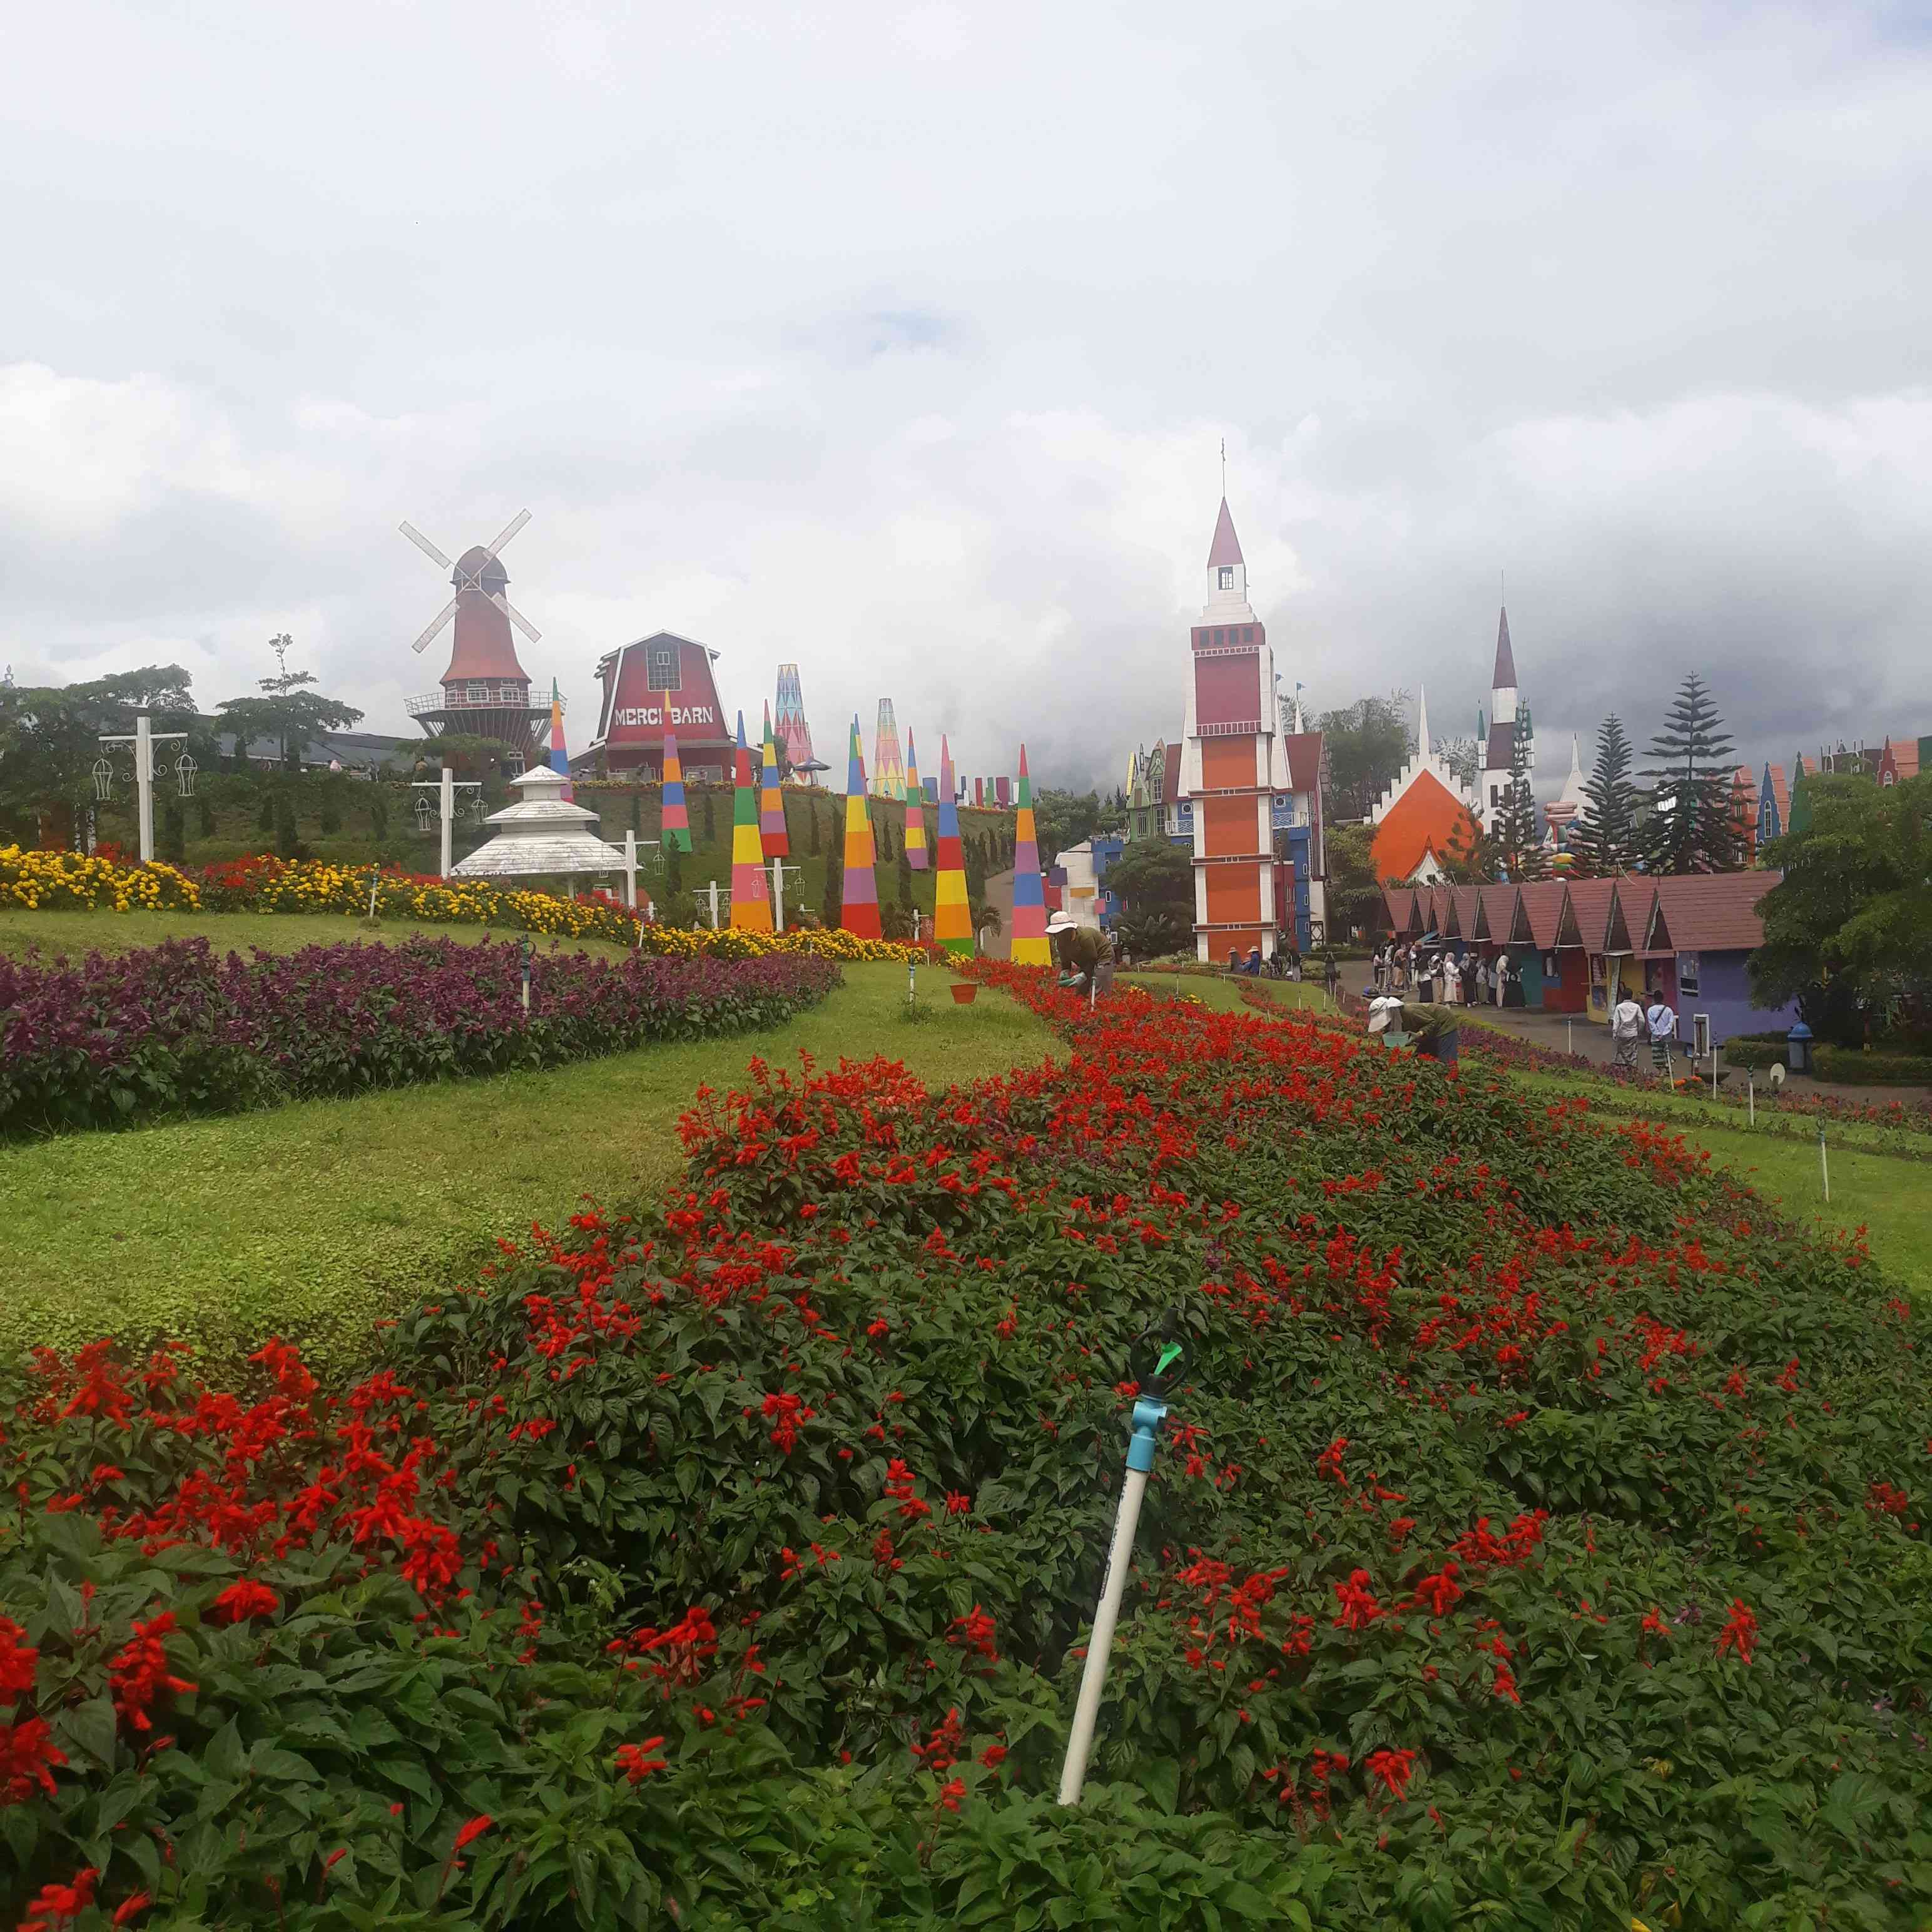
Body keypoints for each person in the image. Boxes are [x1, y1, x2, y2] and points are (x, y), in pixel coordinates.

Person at [1049, 911, 1114, 995]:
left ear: (1069, 930)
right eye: (1056, 934)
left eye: (1061, 933)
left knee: (1099, 985)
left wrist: (1083, 975)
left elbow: (1092, 959)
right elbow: (1066, 961)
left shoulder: (1085, 937)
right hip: (1086, 961)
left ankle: (1101, 1005)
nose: (1058, 936)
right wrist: (1065, 972)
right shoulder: (1061, 943)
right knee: (1081, 991)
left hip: (1103, 955)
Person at [1610, 982, 1646, 1079]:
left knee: (1622, 1052)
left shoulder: (1619, 1007)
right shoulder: (1636, 1007)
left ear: (1623, 996)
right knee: (1633, 1051)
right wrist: (1639, 1030)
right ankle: (1633, 1071)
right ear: (1631, 996)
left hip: (1622, 1034)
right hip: (1633, 1033)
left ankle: (1622, 1072)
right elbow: (1642, 1020)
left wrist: (1615, 1032)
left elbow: (1617, 1021)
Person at [1646, 989, 1679, 1083]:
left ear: (1654, 999)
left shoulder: (1650, 1010)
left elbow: (1651, 1024)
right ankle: (1669, 1068)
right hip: (1667, 1036)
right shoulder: (1669, 1010)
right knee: (1667, 1052)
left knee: (1657, 1054)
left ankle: (1660, 1072)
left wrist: (1658, 1033)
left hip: (1656, 1037)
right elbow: (1670, 1023)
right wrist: (1665, 1033)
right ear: (1663, 999)